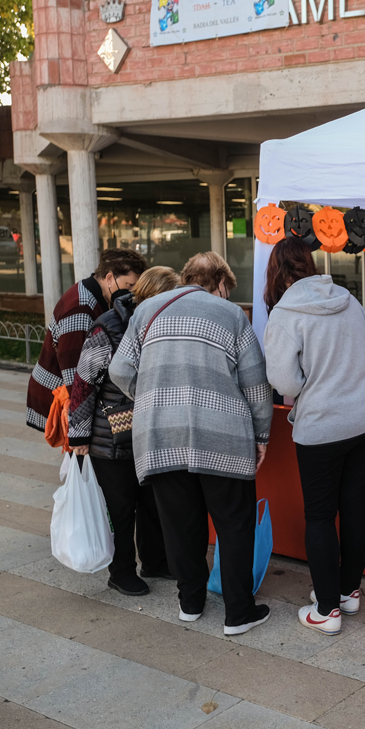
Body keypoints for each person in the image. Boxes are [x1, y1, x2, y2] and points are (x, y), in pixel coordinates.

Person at [109, 252, 273, 635]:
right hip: (223, 436)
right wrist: (261, 435)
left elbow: (119, 370)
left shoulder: (146, 311)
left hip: (161, 436)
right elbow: (255, 384)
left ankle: (190, 603)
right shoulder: (231, 315)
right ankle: (238, 613)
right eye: (226, 289)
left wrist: (152, 395)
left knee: (180, 524)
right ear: (220, 282)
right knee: (234, 525)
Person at [262, 237, 365, 637]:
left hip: (322, 426)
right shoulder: (347, 300)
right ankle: (349, 591)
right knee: (354, 503)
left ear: (275, 272)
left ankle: (327, 610)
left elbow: (283, 380)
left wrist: (311, 381)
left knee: (319, 514)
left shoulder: (285, 314)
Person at [68, 267, 179, 596]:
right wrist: (79, 436)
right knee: (120, 507)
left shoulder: (162, 324)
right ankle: (121, 571)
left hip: (148, 432)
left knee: (152, 502)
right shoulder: (109, 325)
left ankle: (155, 561)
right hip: (111, 435)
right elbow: (84, 382)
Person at [27, 249, 146, 431]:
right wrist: (81, 432)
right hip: (56, 397)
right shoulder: (81, 309)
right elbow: (76, 380)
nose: (132, 293)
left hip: (64, 396)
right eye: (130, 285)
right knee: (76, 455)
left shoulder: (96, 295)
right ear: (109, 278)